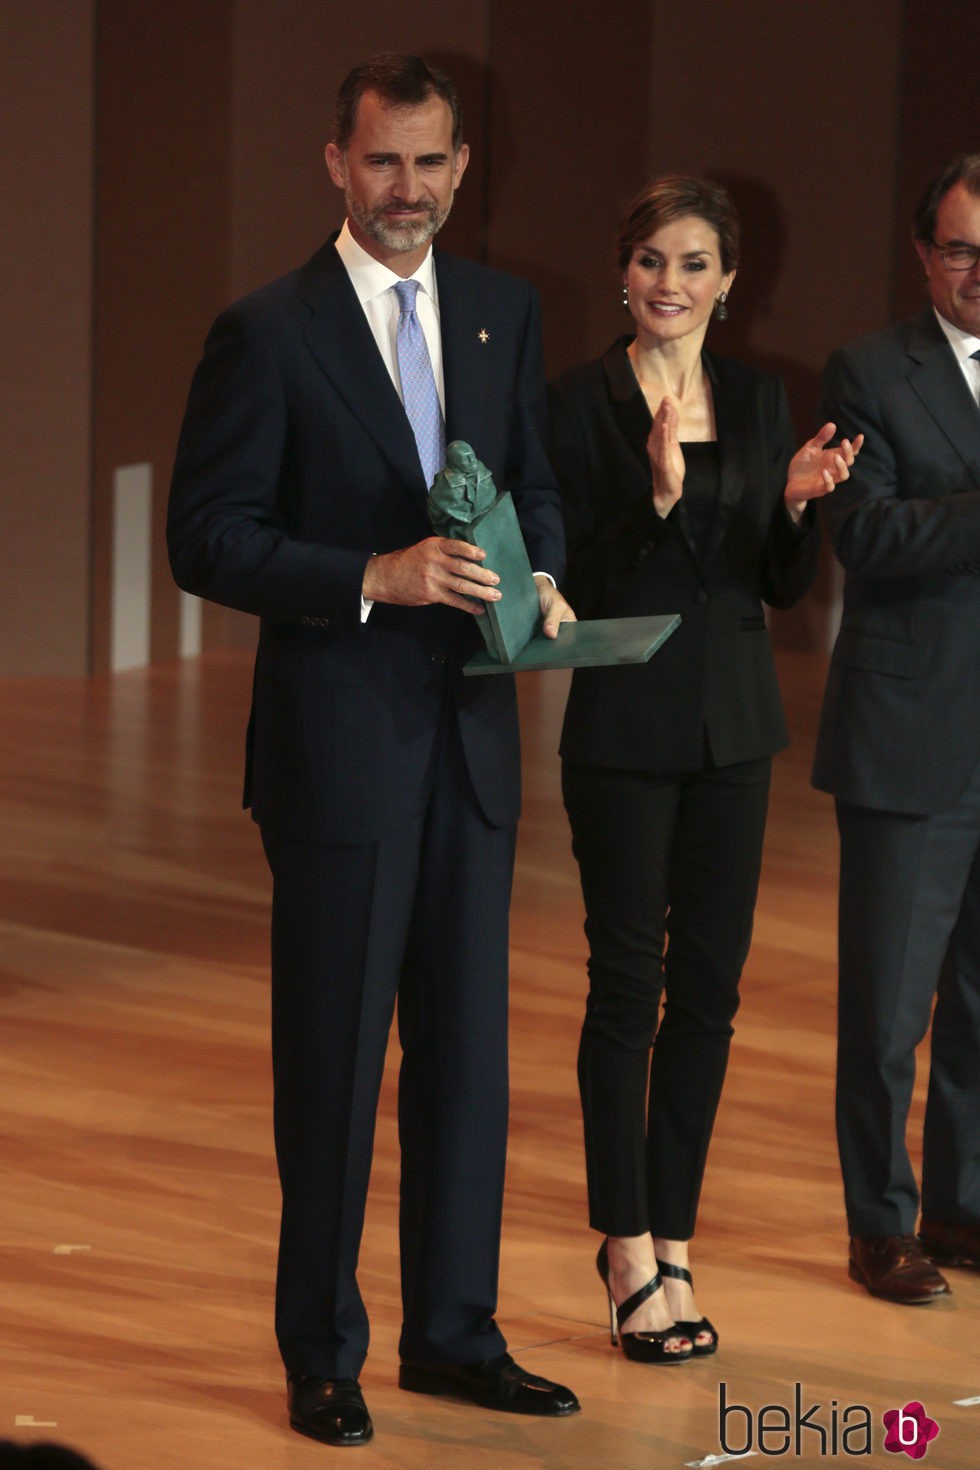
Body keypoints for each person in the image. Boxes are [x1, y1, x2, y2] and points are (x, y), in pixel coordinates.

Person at [167, 53, 578, 1447]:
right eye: (383, 161)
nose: (409, 190)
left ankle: (453, 1332)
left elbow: (528, 483)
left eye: (432, 164)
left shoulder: (503, 313)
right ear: (336, 164)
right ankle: (321, 1348)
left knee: (468, 1062)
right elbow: (205, 536)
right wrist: (370, 577)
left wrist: (546, 582)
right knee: (334, 1066)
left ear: (465, 169)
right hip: (340, 754)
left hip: (472, 743)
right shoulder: (267, 331)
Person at [548, 175, 860, 1363]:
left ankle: (672, 1238)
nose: (666, 284)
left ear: (727, 284)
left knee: (710, 997)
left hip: (734, 734)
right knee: (626, 989)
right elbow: (569, 571)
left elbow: (776, 587)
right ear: (622, 274)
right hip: (622, 730)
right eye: (647, 262)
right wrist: (655, 499)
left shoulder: (758, 397)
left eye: (690, 265)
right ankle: (622, 1247)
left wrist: (788, 509)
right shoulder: (574, 404)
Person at [813, 152, 980, 1304]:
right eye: (962, 248)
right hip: (909, 728)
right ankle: (879, 1225)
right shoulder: (868, 370)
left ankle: (963, 1211)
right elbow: (862, 537)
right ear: (925, 255)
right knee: (885, 1008)